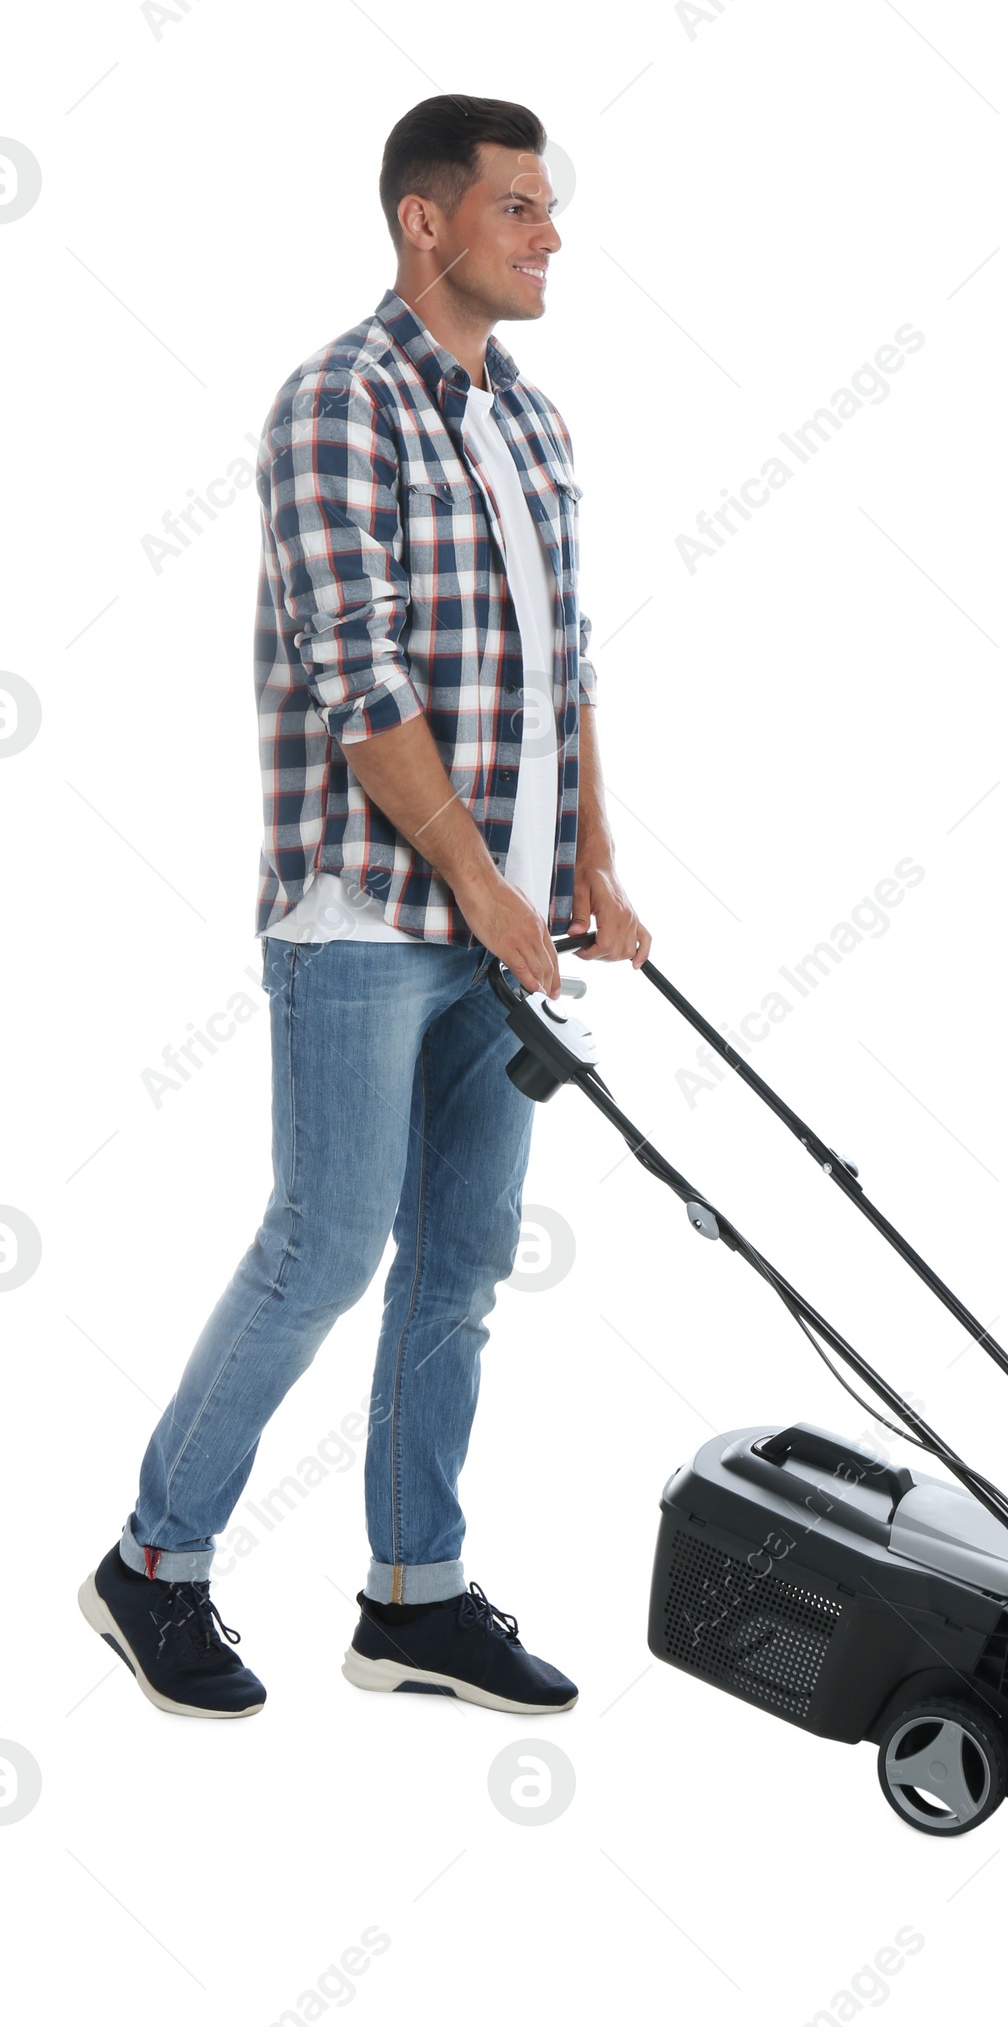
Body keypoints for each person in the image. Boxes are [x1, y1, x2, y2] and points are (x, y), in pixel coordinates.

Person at [78, 93, 648, 1719]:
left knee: (460, 1260)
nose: (551, 237)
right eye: (520, 208)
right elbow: (360, 676)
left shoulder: (536, 424)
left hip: (510, 921)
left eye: (549, 209)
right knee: (324, 1245)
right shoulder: (337, 403)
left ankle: (416, 1593)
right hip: (365, 917)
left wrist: (590, 860)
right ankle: (152, 1565)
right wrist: (485, 885)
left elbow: (570, 665)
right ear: (427, 220)